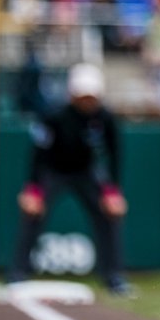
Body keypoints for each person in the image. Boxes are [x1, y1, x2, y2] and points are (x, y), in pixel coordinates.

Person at [9, 62, 134, 297]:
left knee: (109, 217)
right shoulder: (54, 116)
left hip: (86, 171)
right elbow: (39, 154)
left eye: (91, 97)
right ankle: (18, 272)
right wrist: (34, 189)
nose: (87, 102)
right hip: (54, 170)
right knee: (32, 216)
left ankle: (114, 276)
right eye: (83, 96)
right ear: (73, 95)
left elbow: (114, 153)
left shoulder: (105, 118)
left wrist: (112, 192)